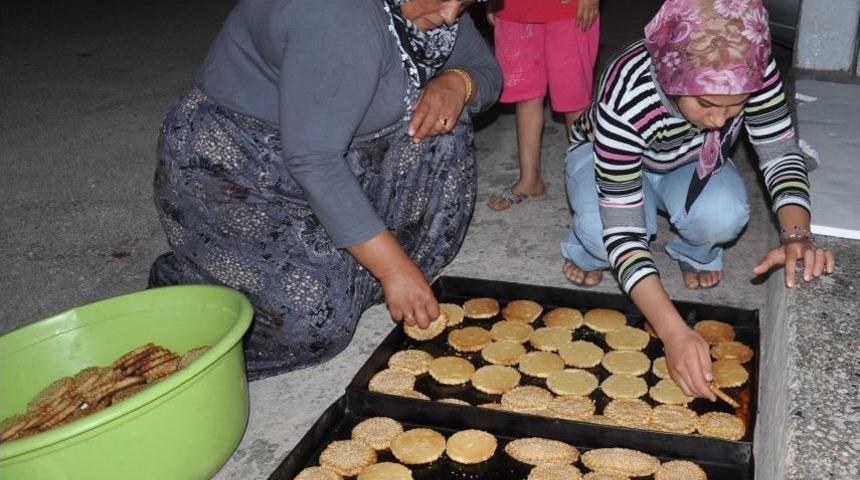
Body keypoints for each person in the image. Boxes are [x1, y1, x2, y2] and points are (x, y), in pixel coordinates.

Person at [149, 0, 501, 381]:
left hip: (344, 152)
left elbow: (488, 72)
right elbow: (314, 159)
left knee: (446, 122)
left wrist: (457, 82)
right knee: (314, 326)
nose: (451, 15)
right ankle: (194, 280)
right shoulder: (337, 14)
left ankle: (348, 270)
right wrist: (392, 266)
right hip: (240, 168)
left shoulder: (433, 10)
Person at [560, 0, 835, 400]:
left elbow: (778, 152)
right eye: (706, 103)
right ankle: (582, 250)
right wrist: (672, 332)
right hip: (606, 158)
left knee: (725, 216)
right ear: (673, 77)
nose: (721, 122)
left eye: (735, 106)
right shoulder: (627, 90)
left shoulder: (752, 65)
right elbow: (625, 232)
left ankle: (694, 249)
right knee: (604, 234)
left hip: (688, 158)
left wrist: (798, 235)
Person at [485, 0, 600, 211]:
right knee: (525, 93)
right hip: (514, 8)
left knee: (574, 97)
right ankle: (530, 180)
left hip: (569, 8)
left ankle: (588, 182)